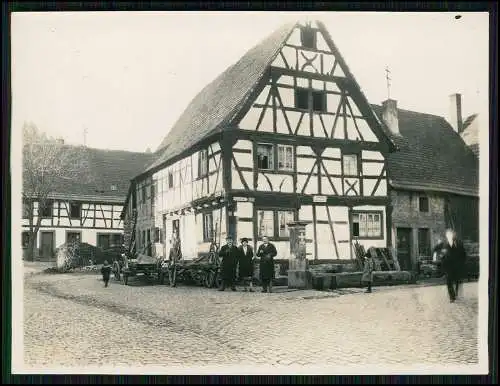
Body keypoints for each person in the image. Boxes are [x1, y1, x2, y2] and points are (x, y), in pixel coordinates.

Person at [433, 229, 467, 303]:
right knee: (449, 281)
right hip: (447, 266)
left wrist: (462, 263)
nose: (449, 236)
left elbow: (464, 254)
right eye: (448, 234)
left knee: (457, 280)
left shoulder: (459, 243)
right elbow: (435, 249)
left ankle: (456, 293)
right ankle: (452, 297)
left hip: (457, 266)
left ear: (454, 235)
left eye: (451, 234)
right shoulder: (443, 243)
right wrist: (441, 255)